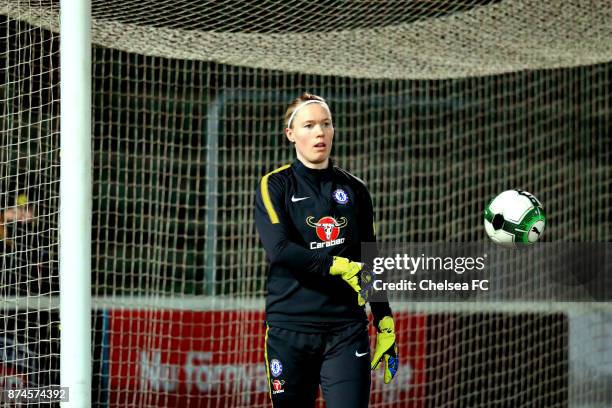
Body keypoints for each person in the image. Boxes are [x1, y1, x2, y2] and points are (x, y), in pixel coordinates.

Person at [254, 93, 398, 408]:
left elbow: (369, 259)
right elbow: (280, 250)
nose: (320, 132)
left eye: (326, 124)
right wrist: (338, 265)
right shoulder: (275, 185)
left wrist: (384, 318)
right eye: (309, 125)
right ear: (291, 134)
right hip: (290, 329)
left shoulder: (355, 189)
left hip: (346, 329)